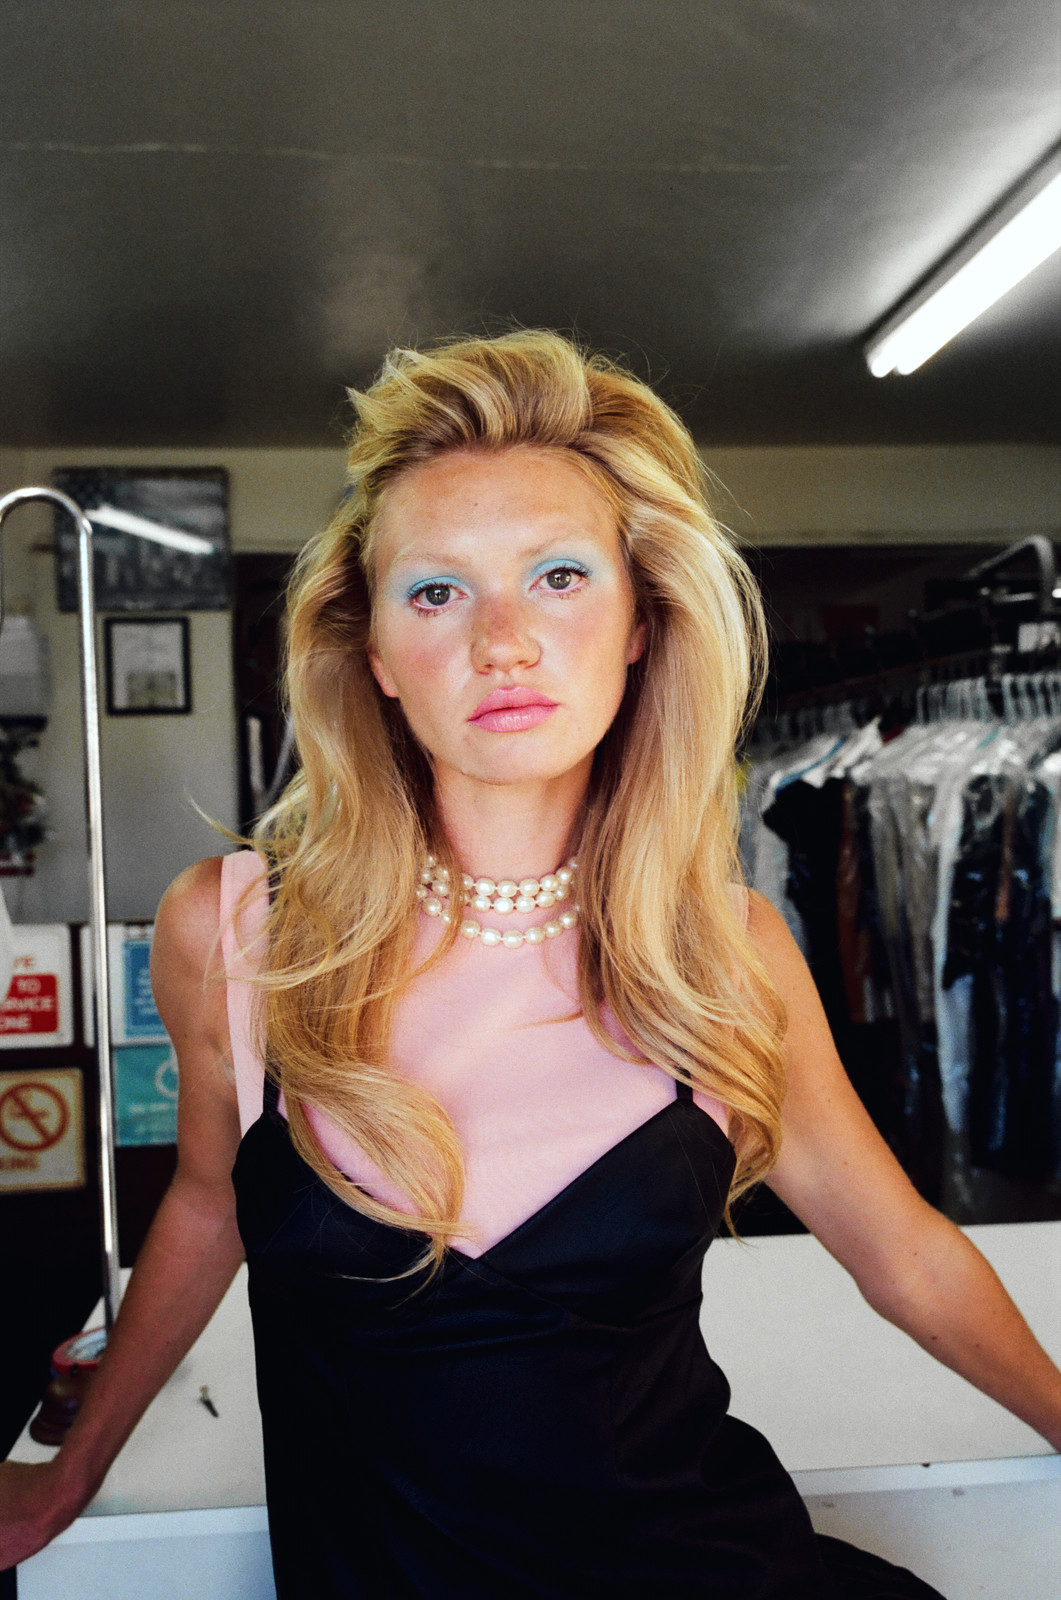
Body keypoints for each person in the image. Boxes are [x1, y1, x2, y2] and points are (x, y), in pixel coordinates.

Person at [2, 330, 1059, 1597]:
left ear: (637, 624)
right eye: (435, 593)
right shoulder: (235, 934)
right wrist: (72, 1464)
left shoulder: (723, 950)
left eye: (557, 576)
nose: (501, 640)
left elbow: (902, 1255)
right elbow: (209, 1201)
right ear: (375, 655)